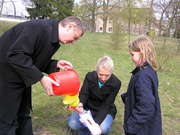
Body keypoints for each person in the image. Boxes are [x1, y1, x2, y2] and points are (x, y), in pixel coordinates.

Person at [0, 16, 85, 135]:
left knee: (24, 116)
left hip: (21, 77)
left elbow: (32, 59)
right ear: (70, 26)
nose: (73, 42)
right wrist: (40, 77)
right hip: (6, 77)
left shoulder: (52, 36)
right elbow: (15, 55)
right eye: (75, 37)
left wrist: (55, 64)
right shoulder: (37, 29)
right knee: (7, 121)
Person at [67, 56, 121, 135]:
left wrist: (96, 123)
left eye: (107, 75)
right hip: (87, 107)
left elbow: (107, 104)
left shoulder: (116, 83)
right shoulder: (90, 76)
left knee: (103, 128)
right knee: (73, 124)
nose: (103, 78)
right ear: (97, 71)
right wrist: (81, 103)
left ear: (111, 72)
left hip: (105, 110)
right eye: (101, 74)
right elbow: (84, 93)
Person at [121, 36, 162, 135]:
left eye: (132, 54)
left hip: (142, 130)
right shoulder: (148, 71)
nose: (131, 58)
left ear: (142, 52)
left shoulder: (143, 76)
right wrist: (128, 96)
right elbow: (144, 94)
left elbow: (146, 106)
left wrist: (130, 126)